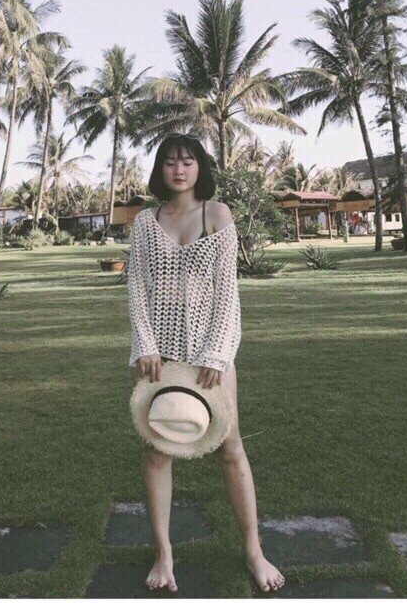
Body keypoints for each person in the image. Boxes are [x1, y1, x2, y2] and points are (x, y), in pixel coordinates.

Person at [127, 132, 285, 594]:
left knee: (230, 449)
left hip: (210, 357)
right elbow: (136, 287)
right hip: (159, 358)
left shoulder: (216, 214)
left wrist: (217, 352)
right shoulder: (146, 222)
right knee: (157, 452)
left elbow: (227, 292)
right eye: (170, 162)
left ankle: (254, 552)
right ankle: (164, 554)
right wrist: (145, 344)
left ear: (200, 167)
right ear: (160, 169)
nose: (179, 169)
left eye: (188, 161)